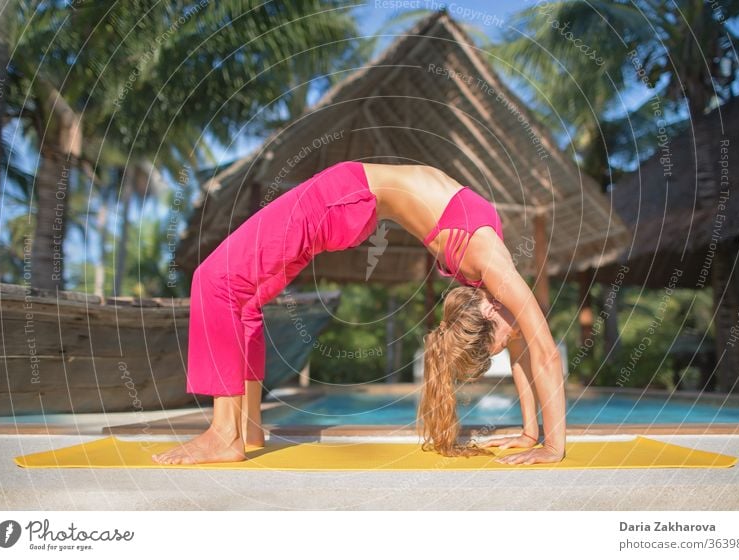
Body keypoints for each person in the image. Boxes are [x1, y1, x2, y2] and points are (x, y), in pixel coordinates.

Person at [152, 160, 566, 465]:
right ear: (492, 309)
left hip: (347, 200)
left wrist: (533, 433)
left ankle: (236, 433)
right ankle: (237, 430)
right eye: (507, 336)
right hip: (342, 197)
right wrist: (549, 444)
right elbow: (542, 353)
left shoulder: (490, 282)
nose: (518, 335)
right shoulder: (495, 268)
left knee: (224, 283)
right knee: (228, 287)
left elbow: (525, 350)